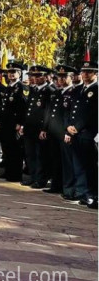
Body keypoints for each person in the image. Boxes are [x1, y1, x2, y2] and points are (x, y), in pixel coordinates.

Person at [44, 65, 79, 198]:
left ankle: (69, 189)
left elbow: (72, 115)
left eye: (64, 77)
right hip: (54, 132)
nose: (61, 79)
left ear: (71, 77)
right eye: (59, 77)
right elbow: (50, 112)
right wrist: (45, 129)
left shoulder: (74, 93)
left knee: (68, 163)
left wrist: (68, 132)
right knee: (55, 160)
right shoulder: (57, 92)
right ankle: (56, 185)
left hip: (64, 133)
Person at [67, 60, 97, 208]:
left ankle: (92, 194)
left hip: (89, 133)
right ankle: (82, 193)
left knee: (90, 166)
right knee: (78, 165)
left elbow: (91, 114)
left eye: (89, 72)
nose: (85, 74)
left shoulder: (96, 89)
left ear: (95, 74)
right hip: (75, 133)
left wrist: (77, 127)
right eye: (83, 72)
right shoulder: (78, 89)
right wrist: (69, 127)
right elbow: (71, 111)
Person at [23, 66, 54, 188]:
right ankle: (33, 176)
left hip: (40, 129)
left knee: (40, 155)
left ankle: (41, 179)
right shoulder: (34, 89)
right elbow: (28, 110)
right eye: (33, 76)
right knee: (30, 154)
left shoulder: (49, 91)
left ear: (45, 77)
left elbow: (48, 112)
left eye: (38, 76)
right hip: (30, 127)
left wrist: (44, 129)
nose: (34, 78)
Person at [0, 63, 27, 182]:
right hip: (6, 123)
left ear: (19, 74)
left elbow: (23, 107)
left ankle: (15, 174)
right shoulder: (8, 87)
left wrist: (20, 123)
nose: (10, 74)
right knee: (7, 148)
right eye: (9, 72)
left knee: (15, 150)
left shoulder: (22, 88)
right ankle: (8, 171)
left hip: (15, 123)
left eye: (13, 72)